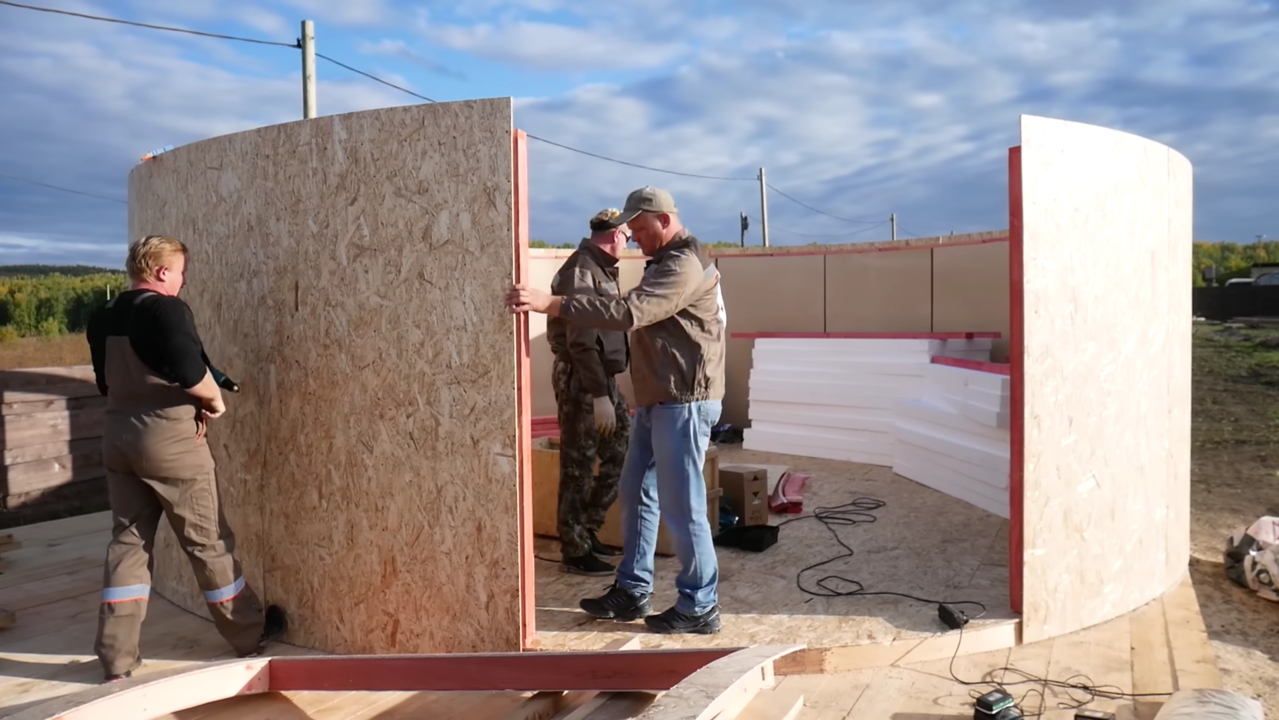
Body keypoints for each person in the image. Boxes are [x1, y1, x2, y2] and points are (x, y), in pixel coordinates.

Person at [507, 186, 727, 635]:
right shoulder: (663, 261)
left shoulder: (682, 264)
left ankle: (700, 604)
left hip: (683, 401)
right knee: (635, 491)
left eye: (640, 228)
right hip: (658, 400)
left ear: (664, 221)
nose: (634, 236)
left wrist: (550, 304)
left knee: (683, 507)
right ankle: (632, 588)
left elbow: (631, 314)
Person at [86, 235, 287, 683]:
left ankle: (116, 660)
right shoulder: (166, 310)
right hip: (170, 441)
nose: (181, 282)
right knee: (207, 541)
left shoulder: (102, 317)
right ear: (161, 272)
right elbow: (194, 374)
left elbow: (105, 383)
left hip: (118, 438)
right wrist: (214, 403)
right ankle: (248, 634)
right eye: (180, 273)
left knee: (128, 543)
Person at [547, 208, 634, 577]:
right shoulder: (582, 269)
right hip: (583, 378)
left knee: (619, 452)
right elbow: (581, 339)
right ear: (615, 235)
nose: (629, 243)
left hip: (600, 378)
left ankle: (587, 529)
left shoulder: (599, 267)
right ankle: (574, 547)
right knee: (579, 463)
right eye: (628, 237)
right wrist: (599, 395)